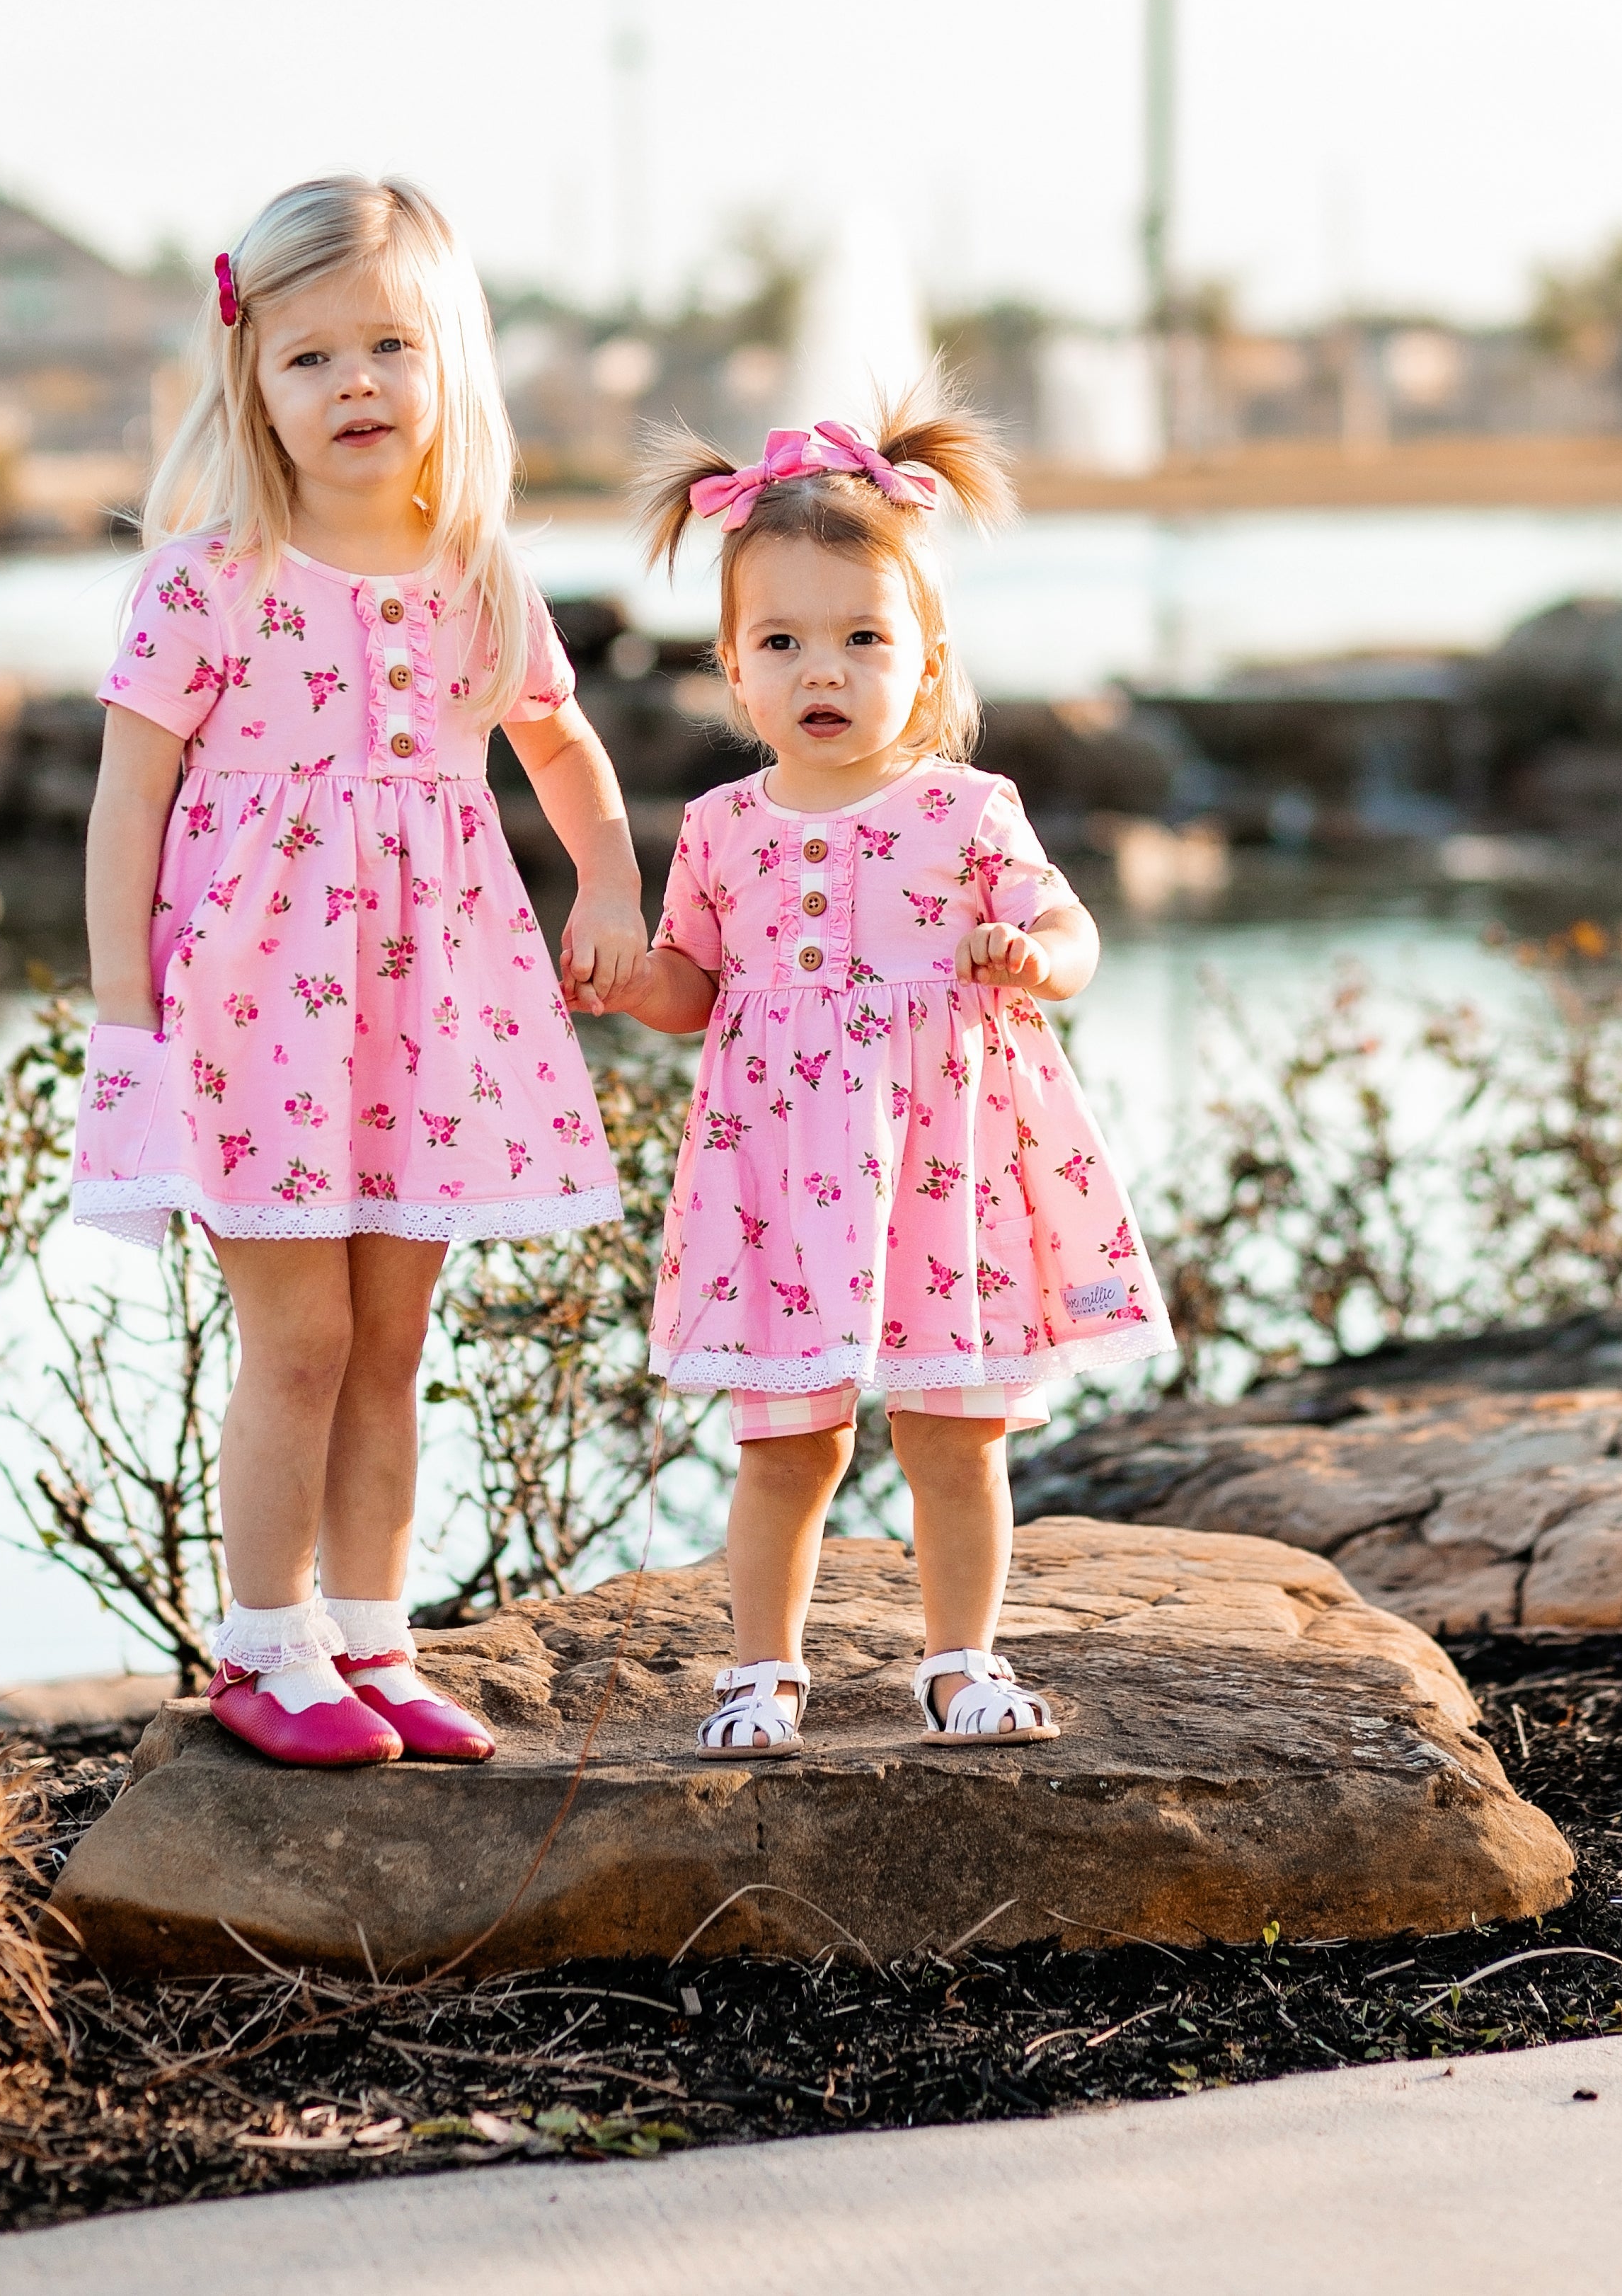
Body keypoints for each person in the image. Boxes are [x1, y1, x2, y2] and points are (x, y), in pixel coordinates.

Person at [74, 176, 643, 1767]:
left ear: (449, 358)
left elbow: (558, 738)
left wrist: (606, 877)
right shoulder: (206, 579)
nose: (356, 386)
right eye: (310, 355)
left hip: (424, 1013)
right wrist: (124, 1014)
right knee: (302, 1340)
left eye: (389, 344)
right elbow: (128, 803)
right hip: (253, 1016)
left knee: (393, 1341)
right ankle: (265, 1646)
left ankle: (373, 1636)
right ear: (250, 374)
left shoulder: (475, 569)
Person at [582, 399, 1173, 1753]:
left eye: (861, 637)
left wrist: (1032, 957)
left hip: (942, 1166)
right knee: (789, 1444)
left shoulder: (967, 810)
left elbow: (1072, 932)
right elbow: (692, 988)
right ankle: (761, 1672)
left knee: (953, 1436)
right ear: (734, 670)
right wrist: (623, 978)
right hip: (782, 1176)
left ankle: (960, 1659)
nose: (821, 668)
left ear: (924, 656)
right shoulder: (722, 827)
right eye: (781, 642)